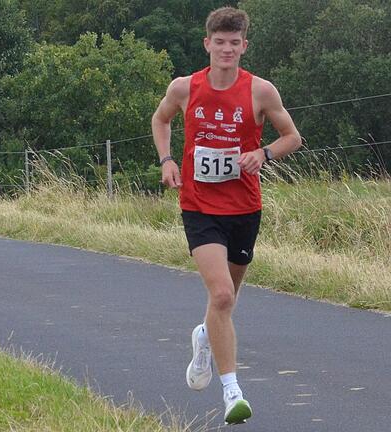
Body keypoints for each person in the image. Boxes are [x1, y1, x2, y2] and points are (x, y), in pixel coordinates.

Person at [151, 7, 301, 425]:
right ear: (208, 44)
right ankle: (232, 391)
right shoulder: (185, 88)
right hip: (198, 207)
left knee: (227, 301)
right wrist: (166, 159)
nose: (227, 50)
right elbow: (160, 119)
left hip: (244, 208)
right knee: (220, 296)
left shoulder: (261, 92)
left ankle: (203, 338)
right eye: (220, 42)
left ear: (244, 46)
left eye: (235, 43)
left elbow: (293, 136)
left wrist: (263, 153)